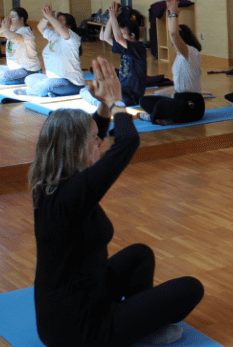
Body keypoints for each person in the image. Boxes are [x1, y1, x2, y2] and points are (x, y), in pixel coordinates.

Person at [30, 56, 204, 347]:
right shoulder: (74, 194)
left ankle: (139, 327)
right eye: (96, 142)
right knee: (190, 289)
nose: (102, 144)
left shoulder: (50, 185)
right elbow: (127, 143)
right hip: (80, 333)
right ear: (77, 151)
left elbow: (93, 132)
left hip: (67, 311)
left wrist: (101, 107)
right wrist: (115, 103)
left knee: (139, 254)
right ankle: (130, 330)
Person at [137, 0, 205, 125]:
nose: (172, 44)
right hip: (178, 100)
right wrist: (169, 14)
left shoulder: (191, 53)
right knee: (145, 101)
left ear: (182, 39)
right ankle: (161, 116)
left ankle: (153, 117)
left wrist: (174, 14)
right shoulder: (181, 56)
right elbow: (172, 33)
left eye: (175, 41)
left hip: (192, 106)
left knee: (162, 105)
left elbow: (174, 34)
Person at [82, 1, 147, 107]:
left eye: (123, 34)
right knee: (85, 90)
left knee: (95, 92)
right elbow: (104, 37)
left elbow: (118, 38)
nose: (120, 36)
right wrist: (112, 19)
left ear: (132, 36)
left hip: (132, 96)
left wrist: (113, 17)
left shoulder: (138, 48)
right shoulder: (123, 47)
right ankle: (105, 102)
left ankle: (102, 103)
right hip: (121, 90)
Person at [16, 5, 86, 97]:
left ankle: (34, 92)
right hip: (53, 79)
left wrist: (50, 17)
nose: (55, 22)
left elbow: (61, 29)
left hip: (71, 83)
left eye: (60, 20)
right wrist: (46, 17)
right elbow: (41, 27)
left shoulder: (73, 38)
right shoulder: (53, 35)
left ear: (69, 26)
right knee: (30, 79)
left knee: (44, 86)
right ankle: (51, 92)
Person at [0, 7, 41, 86]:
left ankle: (30, 78)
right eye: (10, 16)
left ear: (21, 19)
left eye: (13, 17)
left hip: (28, 70)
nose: (10, 19)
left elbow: (16, 38)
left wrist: (6, 29)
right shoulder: (12, 30)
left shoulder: (26, 32)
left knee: (2, 76)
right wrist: (4, 28)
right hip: (13, 68)